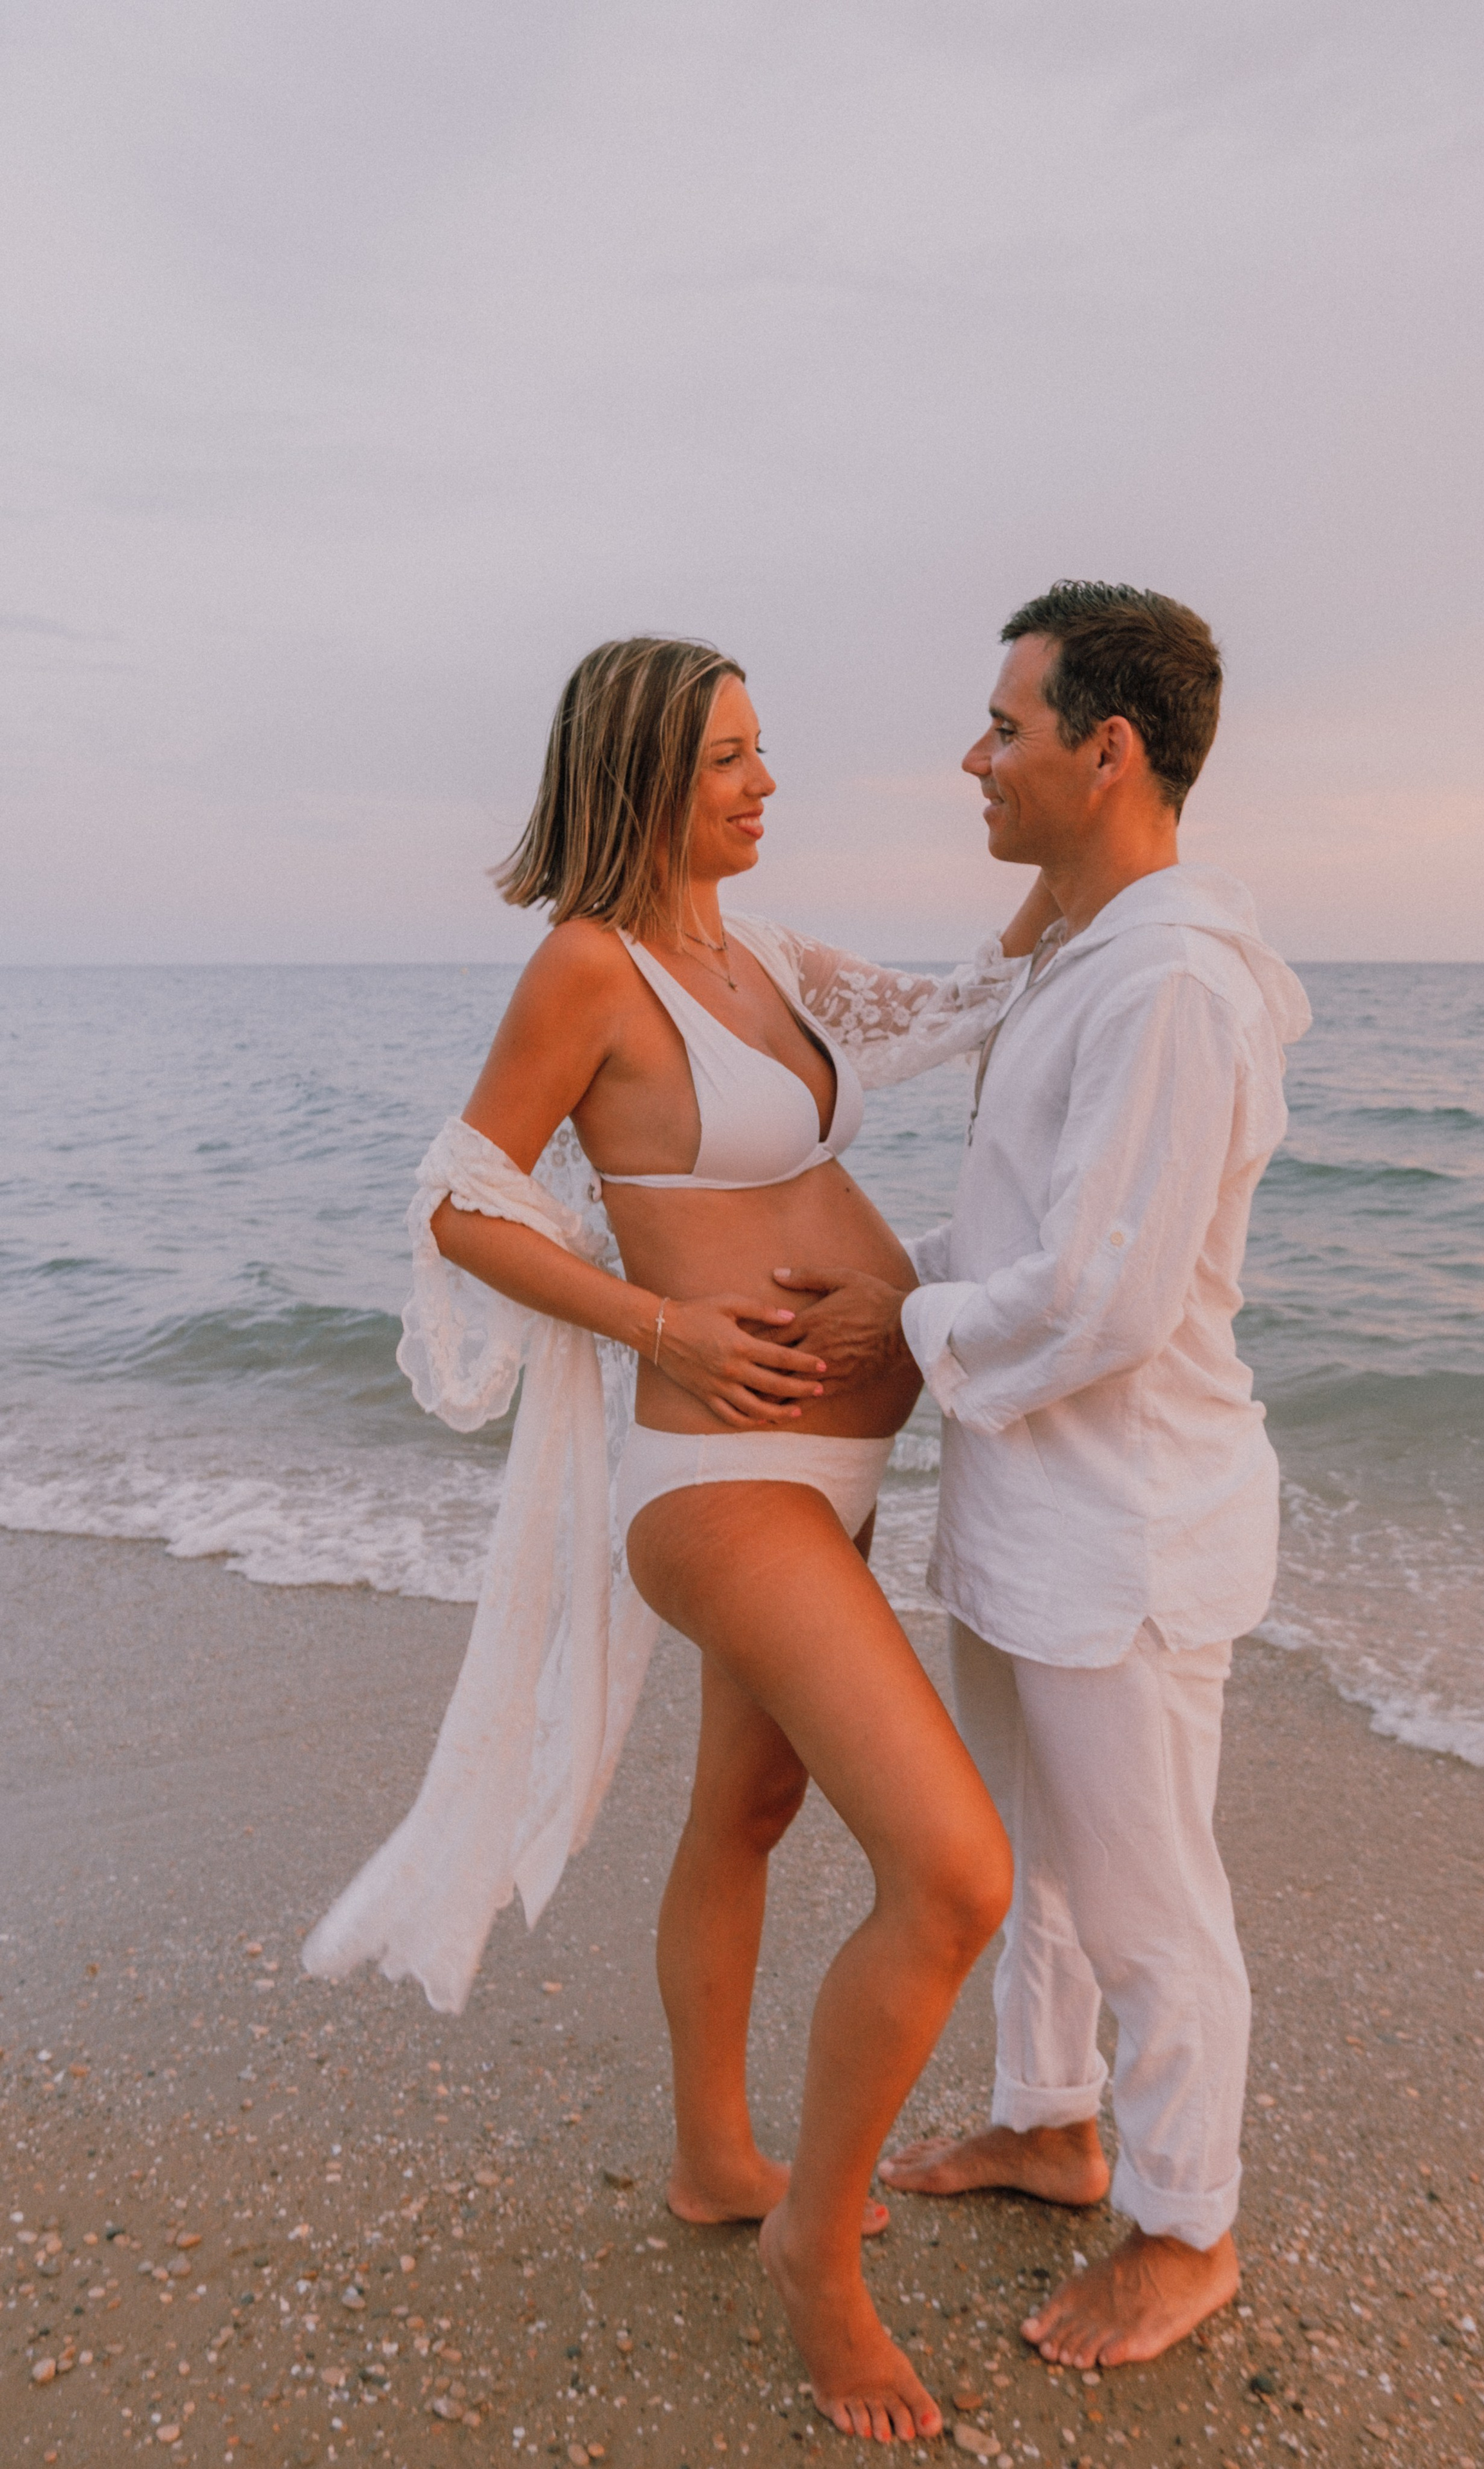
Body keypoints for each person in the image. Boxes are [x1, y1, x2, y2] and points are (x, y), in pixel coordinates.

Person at [305, 634, 1056, 2445]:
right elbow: (462, 1204)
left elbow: (963, 1000)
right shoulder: (590, 965)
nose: (763, 782)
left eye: (763, 749)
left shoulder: (769, 956)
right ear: (642, 772)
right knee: (955, 1874)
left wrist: (1122, 864)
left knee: (749, 1809)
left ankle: (719, 2160)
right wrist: (673, 1329)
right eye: (728, 756)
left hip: (836, 1471)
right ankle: (816, 2256)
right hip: (716, 1483)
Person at [770, 581, 1312, 2371]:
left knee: (1152, 1896)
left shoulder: (1171, 985)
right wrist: (904, 1280)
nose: (973, 756)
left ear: (1110, 750)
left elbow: (1102, 1296)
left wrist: (900, 1324)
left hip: (1127, 1531)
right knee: (1037, 1865)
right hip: (1033, 1511)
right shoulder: (1092, 950)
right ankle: (1054, 2124)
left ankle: (1187, 2226)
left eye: (1005, 727)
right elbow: (1031, 1225)